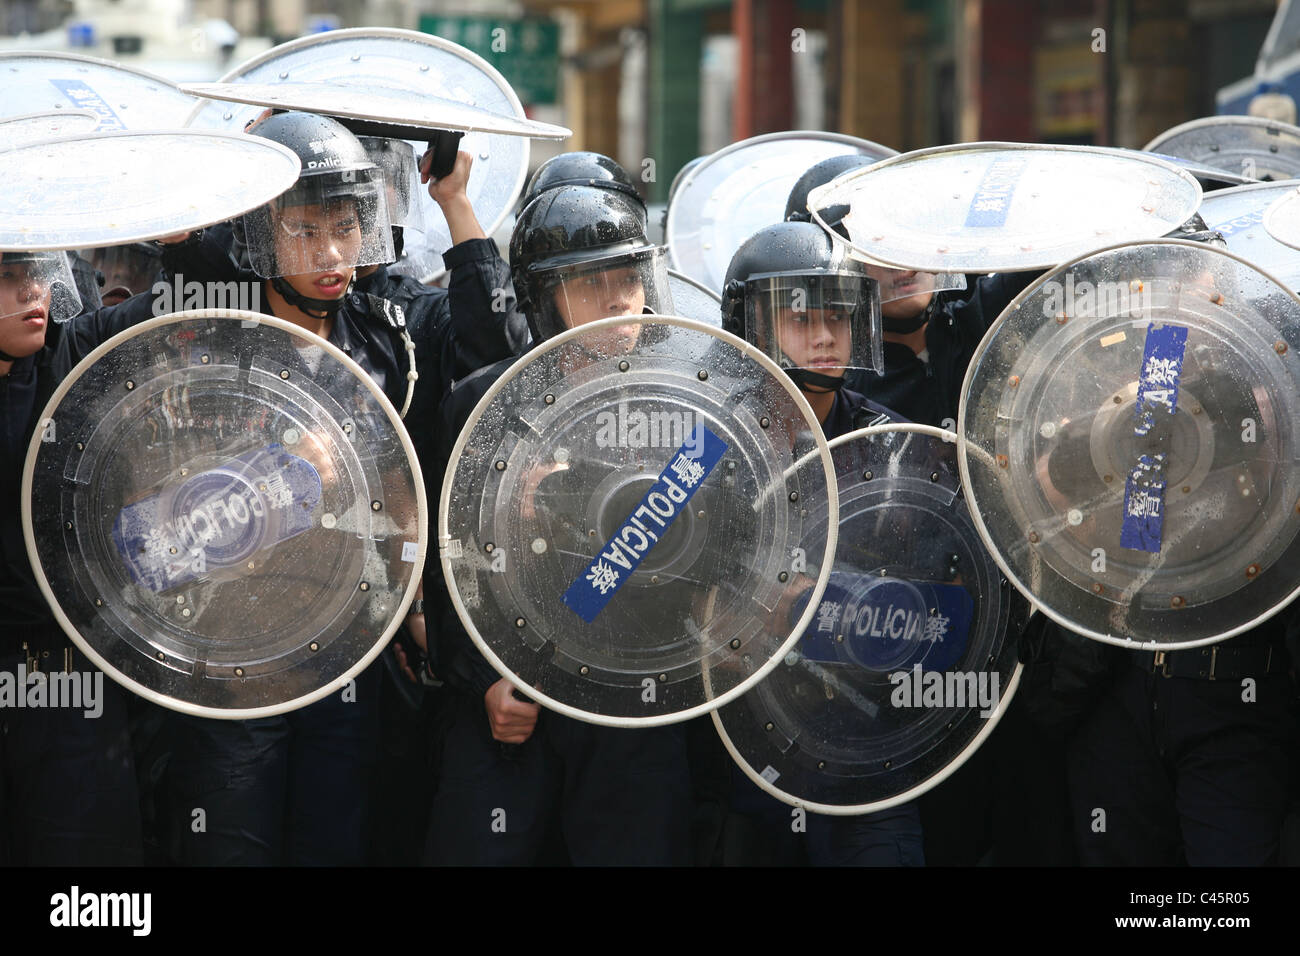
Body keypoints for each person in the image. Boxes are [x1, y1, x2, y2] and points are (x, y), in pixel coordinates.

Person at [156, 110, 522, 866]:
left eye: (346, 228)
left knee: (341, 839)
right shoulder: (209, 326)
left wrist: (454, 202)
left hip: (352, 648)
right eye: (303, 230)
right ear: (260, 234)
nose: (329, 253)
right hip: (232, 649)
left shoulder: (390, 330)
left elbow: (496, 358)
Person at [423, 182, 696, 865]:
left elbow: (721, 554)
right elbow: (444, 564)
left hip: (637, 697)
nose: (616, 299)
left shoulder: (693, 405)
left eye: (628, 277)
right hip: (510, 692)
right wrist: (477, 681)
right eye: (589, 282)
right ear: (544, 297)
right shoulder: (480, 404)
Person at [0, 250, 144, 865]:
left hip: (69, 673)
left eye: (36, 271)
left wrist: (183, 240)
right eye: (6, 275)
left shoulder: (75, 355)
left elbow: (178, 311)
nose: (33, 290)